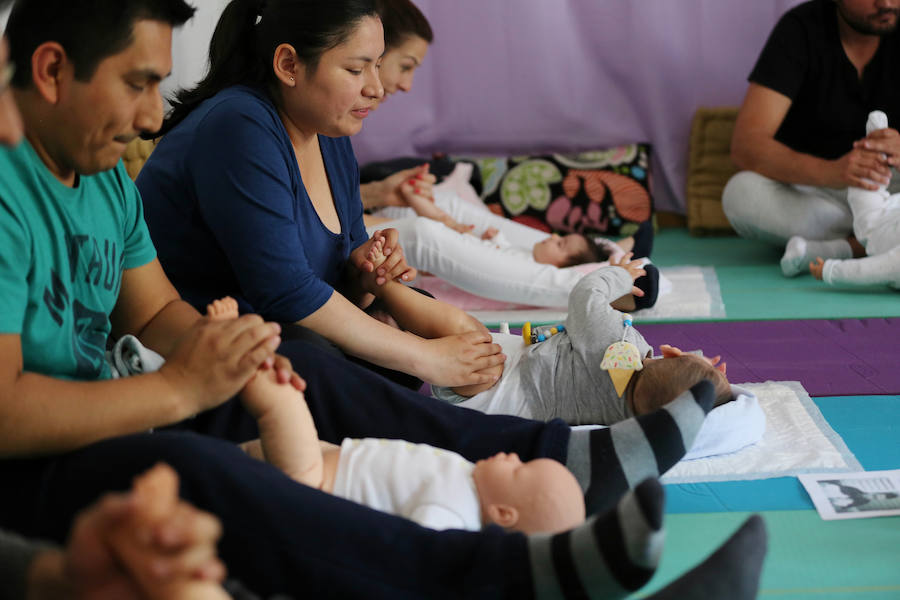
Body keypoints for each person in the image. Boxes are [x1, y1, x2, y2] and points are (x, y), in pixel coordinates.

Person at [0, 1, 769, 597]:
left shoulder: (102, 178)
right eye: (139, 84)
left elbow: (156, 312)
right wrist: (174, 386)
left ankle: (568, 462)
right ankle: (510, 577)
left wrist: (222, 353)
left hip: (121, 399)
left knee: (308, 368)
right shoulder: (20, 188)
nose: (148, 118)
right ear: (49, 69)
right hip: (41, 455)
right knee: (198, 472)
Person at [136, 0, 503, 389]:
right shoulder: (239, 125)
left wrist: (367, 274)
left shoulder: (328, 132)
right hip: (210, 340)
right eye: (356, 69)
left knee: (400, 319)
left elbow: (341, 287)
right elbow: (286, 294)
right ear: (289, 66)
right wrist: (428, 358)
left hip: (286, 322)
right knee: (312, 356)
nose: (376, 88)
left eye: (378, 65)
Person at [207, 296, 585, 535]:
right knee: (241, 456)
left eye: (519, 470)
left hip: (316, 482)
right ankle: (213, 462)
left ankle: (237, 351)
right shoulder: (470, 484)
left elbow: (416, 545)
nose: (511, 456)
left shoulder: (454, 515)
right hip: (331, 459)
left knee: (282, 398)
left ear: (503, 513)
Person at [722, 0, 900, 262]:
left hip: (891, 192)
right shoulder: (800, 30)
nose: (885, 3)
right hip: (818, 194)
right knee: (740, 195)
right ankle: (881, 236)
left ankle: (850, 247)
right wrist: (833, 172)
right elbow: (747, 145)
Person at [786, 111, 900, 289]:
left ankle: (873, 147)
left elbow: (871, 270)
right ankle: (875, 146)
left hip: (878, 222)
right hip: (892, 208)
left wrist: (830, 270)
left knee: (867, 201)